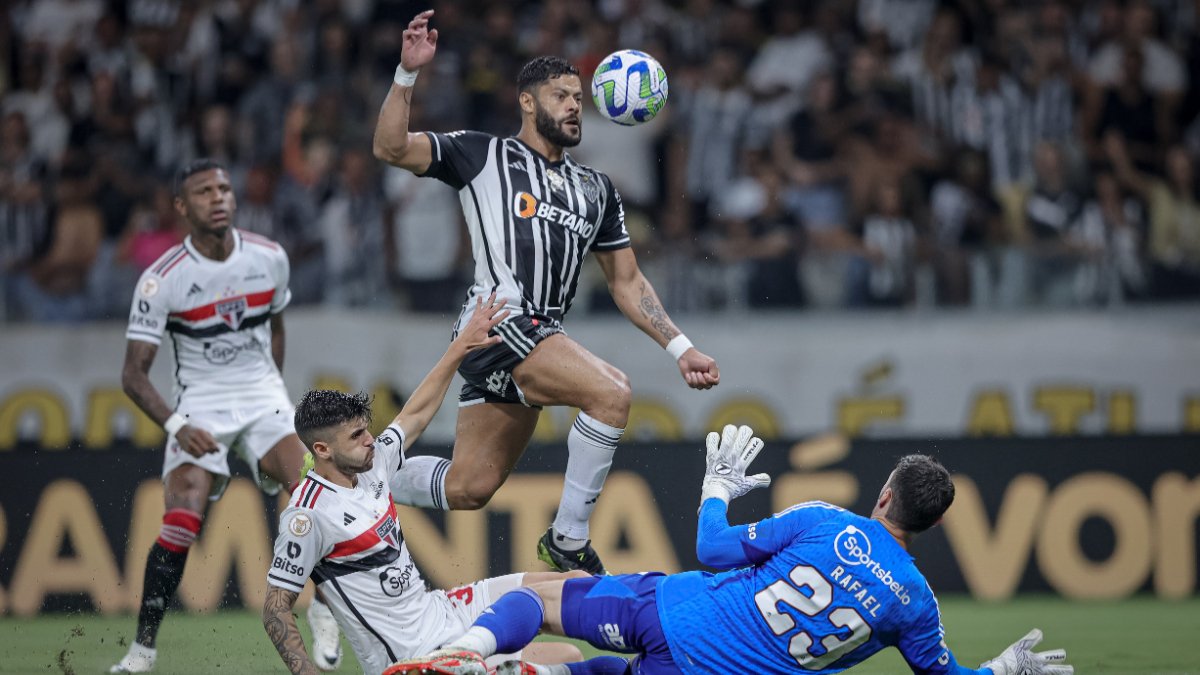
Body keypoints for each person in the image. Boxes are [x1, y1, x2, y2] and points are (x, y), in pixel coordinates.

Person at [372, 10, 720, 575]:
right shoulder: (482, 154)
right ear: (528, 103)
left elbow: (627, 282)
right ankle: (567, 539)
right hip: (499, 323)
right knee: (612, 394)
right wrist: (406, 74)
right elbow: (390, 148)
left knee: (469, 487)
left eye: (579, 97)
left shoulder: (596, 189)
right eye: (561, 96)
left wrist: (681, 347)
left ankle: (357, 476)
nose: (574, 106)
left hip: (540, 335)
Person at [389, 425, 1075, 675]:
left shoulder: (828, 522)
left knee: (537, 597)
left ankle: (461, 656)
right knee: (583, 669)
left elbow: (714, 550)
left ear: (886, 495)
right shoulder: (915, 604)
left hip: (677, 614)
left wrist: (716, 488)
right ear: (934, 522)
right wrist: (1001, 669)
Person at [263, 294, 583, 675]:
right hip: (417, 657)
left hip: (444, 610)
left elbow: (414, 414)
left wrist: (460, 347)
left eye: (366, 430)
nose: (370, 440)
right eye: (356, 436)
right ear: (322, 450)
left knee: (572, 588)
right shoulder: (308, 515)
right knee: (567, 659)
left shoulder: (372, 463)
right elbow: (275, 609)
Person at [110, 159, 343, 673]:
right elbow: (133, 375)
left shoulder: (269, 257)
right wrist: (177, 425)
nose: (218, 198)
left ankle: (324, 608)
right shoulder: (161, 280)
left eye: (223, 189)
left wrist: (273, 391)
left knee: (315, 493)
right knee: (182, 518)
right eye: (203, 192)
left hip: (262, 396)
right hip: (200, 403)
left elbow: (276, 327)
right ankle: (143, 650)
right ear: (181, 206)